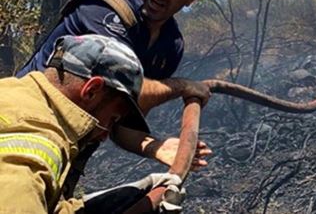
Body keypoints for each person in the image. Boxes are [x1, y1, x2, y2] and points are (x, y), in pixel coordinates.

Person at [16, 0, 212, 197]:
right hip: (25, 129)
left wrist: (156, 147)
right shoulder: (104, 11)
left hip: (70, 156)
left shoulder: (170, 45)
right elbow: (116, 89)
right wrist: (182, 86)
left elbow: (120, 117)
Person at [0, 34, 181, 213]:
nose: (104, 136)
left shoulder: (12, 93)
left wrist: (97, 206)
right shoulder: (35, 151)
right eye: (113, 119)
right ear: (91, 91)